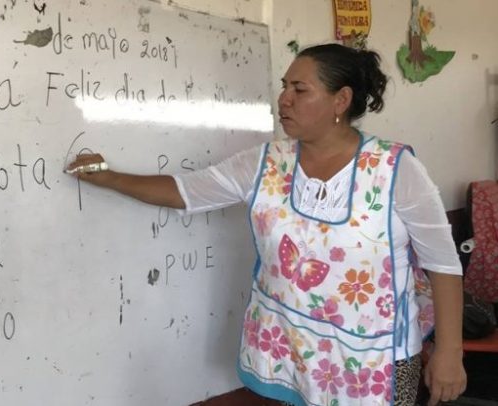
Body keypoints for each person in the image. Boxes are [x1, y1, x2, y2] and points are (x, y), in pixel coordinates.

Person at [66, 43, 466, 406]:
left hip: (374, 361)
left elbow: (443, 264)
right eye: (284, 86)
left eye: (300, 89)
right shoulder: (266, 162)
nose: (283, 99)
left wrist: (450, 352)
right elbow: (185, 192)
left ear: (340, 100)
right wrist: (109, 177)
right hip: (292, 351)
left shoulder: (395, 169)